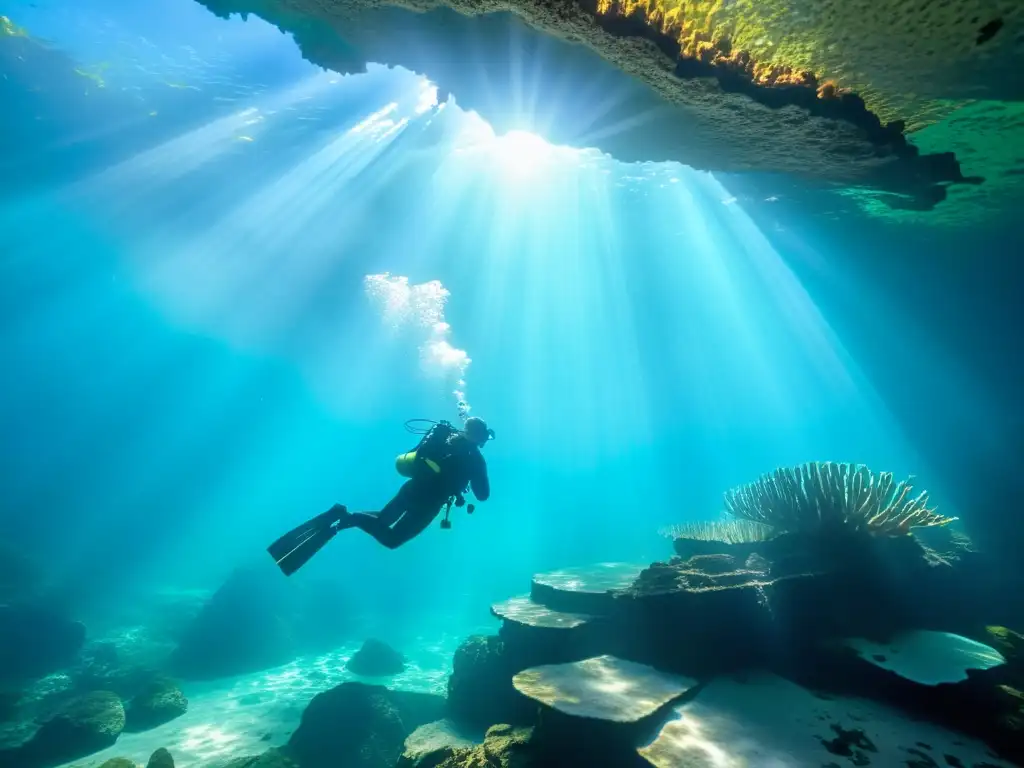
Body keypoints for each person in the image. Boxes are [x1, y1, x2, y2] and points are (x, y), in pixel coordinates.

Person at [268, 417, 493, 576]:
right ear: (481, 436)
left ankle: (344, 517)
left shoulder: (446, 439)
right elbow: (483, 496)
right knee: (392, 540)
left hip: (411, 490)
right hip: (428, 504)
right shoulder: (475, 459)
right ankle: (351, 518)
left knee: (383, 521)